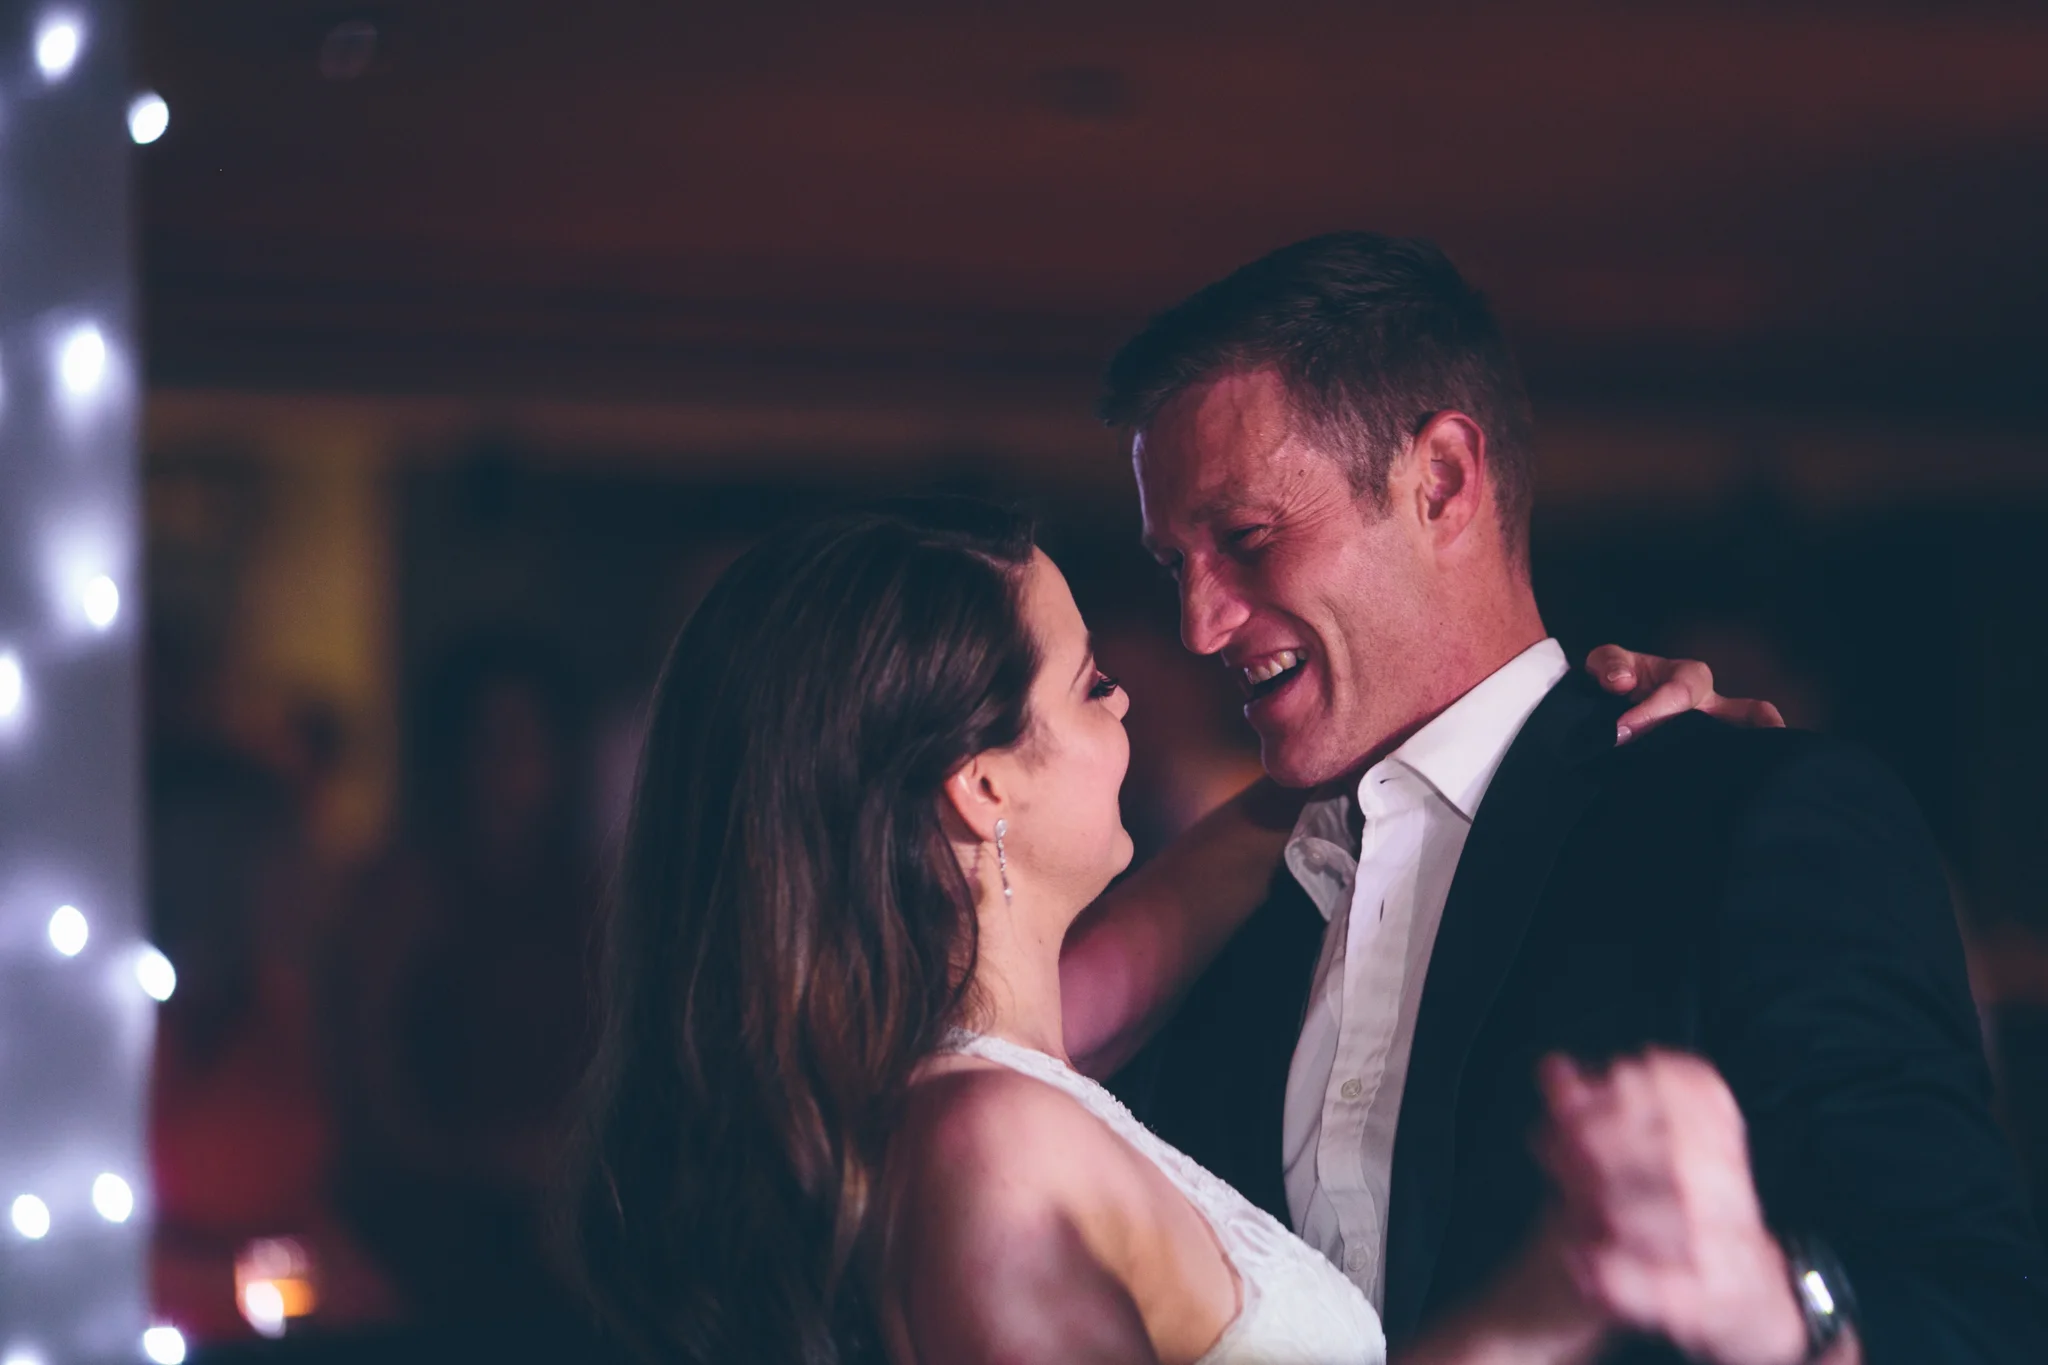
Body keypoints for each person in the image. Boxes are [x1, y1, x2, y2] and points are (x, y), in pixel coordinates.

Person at [1071, 232, 2048, 1364]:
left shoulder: (1751, 820)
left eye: (1243, 539)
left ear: (1439, 481)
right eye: (1171, 565)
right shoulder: (1221, 933)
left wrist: (1777, 1308)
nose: (1198, 625)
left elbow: (1980, 1312)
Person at [566, 499, 1780, 1364]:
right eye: (1089, 682)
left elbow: (1272, 820)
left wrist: (1564, 730)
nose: (1131, 697)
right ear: (982, 788)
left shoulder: (977, 1073)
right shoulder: (992, 1145)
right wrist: (1547, 1302)